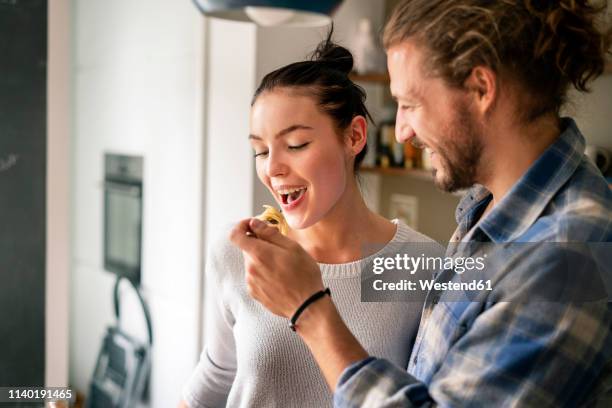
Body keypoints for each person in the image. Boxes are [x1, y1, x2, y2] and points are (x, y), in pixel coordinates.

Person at [230, 0, 612, 406]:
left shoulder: (569, 255)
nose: (402, 132)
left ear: (481, 88)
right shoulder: (489, 213)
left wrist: (309, 308)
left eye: (410, 104)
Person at [179, 33, 442, 407]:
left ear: (354, 136)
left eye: (296, 145)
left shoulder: (420, 263)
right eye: (260, 150)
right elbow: (217, 376)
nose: (272, 168)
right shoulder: (239, 251)